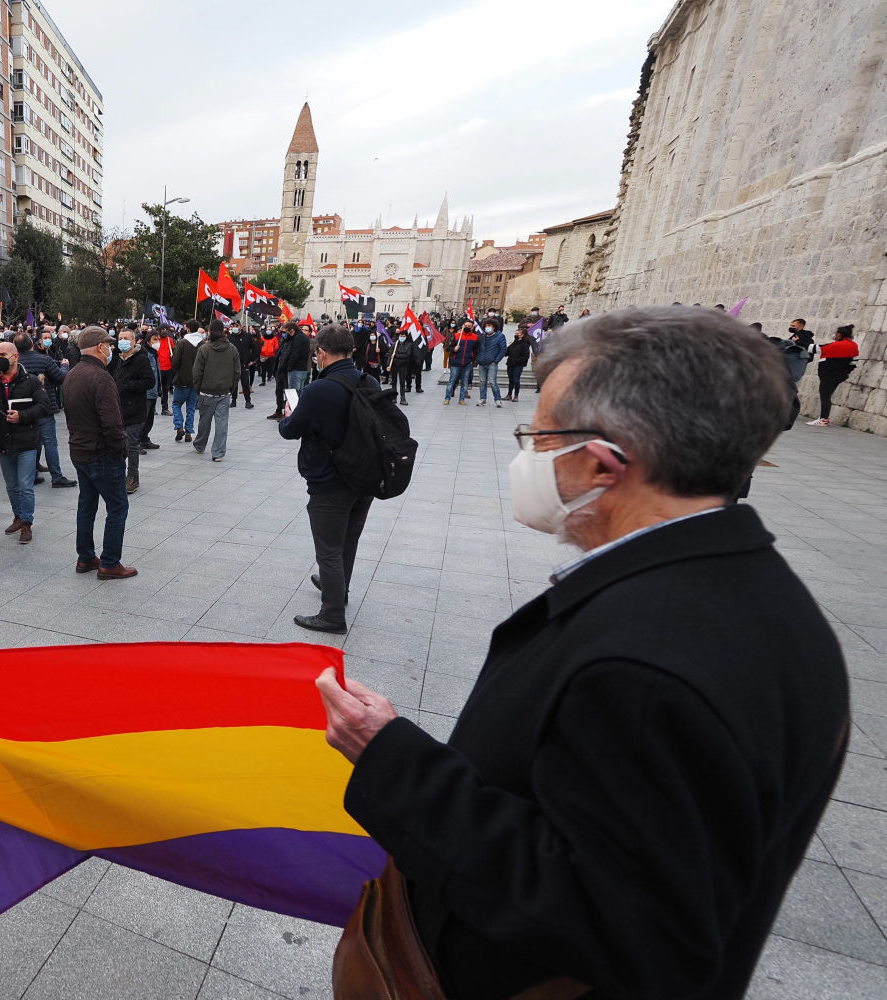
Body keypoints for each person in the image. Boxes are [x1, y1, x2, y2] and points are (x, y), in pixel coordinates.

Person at [315, 306, 847, 1000]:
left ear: (602, 463)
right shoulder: (738, 583)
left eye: (539, 438)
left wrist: (392, 759)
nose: (527, 458)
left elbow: (611, 922)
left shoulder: (648, 667)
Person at [278, 325, 378, 634]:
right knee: (348, 541)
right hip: (364, 477)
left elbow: (290, 430)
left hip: (330, 481)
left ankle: (332, 615)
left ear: (321, 353)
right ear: (351, 350)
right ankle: (339, 588)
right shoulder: (369, 381)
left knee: (329, 549)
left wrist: (288, 414)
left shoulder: (319, 389)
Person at [64, 326, 136, 579]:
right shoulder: (101, 377)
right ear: (99, 347)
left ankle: (85, 557)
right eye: (109, 345)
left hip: (80, 450)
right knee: (117, 507)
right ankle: (110, 562)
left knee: (87, 505)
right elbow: (112, 423)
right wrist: (119, 451)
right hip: (101, 453)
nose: (111, 349)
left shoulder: (73, 374)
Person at [0, 340, 50, 544]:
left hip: (26, 441)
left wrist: (22, 416)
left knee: (25, 485)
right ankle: (18, 516)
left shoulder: (31, 381)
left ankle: (27, 522)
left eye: (3, 355)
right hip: (3, 443)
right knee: (11, 486)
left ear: (15, 357)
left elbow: (44, 406)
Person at [14, 332, 75, 488]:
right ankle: (57, 476)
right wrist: (64, 366)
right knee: (50, 442)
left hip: (24, 408)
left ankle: (32, 474)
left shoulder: (15, 362)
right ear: (32, 344)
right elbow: (60, 378)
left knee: (32, 441)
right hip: (44, 407)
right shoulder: (45, 360)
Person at [110, 325, 156, 492]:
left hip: (135, 409)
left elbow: (150, 381)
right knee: (118, 444)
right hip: (117, 409)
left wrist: (130, 386)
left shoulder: (141, 358)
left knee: (132, 445)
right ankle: (118, 475)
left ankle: (132, 477)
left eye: (126, 339)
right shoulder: (115, 359)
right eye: (120, 339)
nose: (122, 341)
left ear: (134, 341)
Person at [192, 319, 242, 462]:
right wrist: (231, 388)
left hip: (206, 392)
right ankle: (218, 453)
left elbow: (197, 372)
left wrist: (198, 389)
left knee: (204, 422)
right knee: (222, 424)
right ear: (223, 331)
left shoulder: (204, 349)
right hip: (224, 392)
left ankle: (200, 445)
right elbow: (237, 372)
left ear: (209, 332)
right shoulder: (232, 349)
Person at [808, 324, 859, 426]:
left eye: (836, 333)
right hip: (840, 376)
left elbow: (815, 348)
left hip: (828, 375)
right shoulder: (854, 345)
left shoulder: (835, 345)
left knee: (825, 397)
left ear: (839, 334)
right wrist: (847, 372)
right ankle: (823, 418)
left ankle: (823, 419)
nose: (834, 334)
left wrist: (800, 341)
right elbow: (854, 361)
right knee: (827, 396)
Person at [170, 321, 201, 441]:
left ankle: (179, 427)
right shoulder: (203, 343)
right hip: (196, 381)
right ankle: (189, 432)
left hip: (182, 380)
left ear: (187, 329)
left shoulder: (182, 342)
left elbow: (175, 362)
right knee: (191, 408)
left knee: (176, 404)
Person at [443, 322, 478, 404]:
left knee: (464, 382)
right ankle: (447, 398)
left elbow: (476, 351)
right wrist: (454, 349)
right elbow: (448, 348)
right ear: (463, 326)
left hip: (467, 363)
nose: (467, 327)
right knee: (452, 381)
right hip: (456, 362)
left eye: (469, 326)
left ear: (472, 327)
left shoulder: (475, 337)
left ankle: (462, 399)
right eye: (466, 325)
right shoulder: (457, 336)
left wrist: (473, 360)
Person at [475, 319, 507, 407]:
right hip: (482, 362)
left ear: (494, 327)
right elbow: (477, 348)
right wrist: (477, 358)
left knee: (492, 382)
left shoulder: (500, 336)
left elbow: (503, 349)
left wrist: (496, 361)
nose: (487, 328)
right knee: (482, 382)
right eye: (486, 326)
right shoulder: (482, 336)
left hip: (492, 363)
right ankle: (482, 399)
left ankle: (498, 400)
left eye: (489, 326)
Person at [778, 319, 816, 384]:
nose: (791, 327)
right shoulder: (801, 337)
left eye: (793, 326)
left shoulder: (801, 337)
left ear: (800, 326)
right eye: (791, 325)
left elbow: (809, 351)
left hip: (792, 366)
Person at [229, 323, 257, 408]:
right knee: (233, 383)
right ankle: (233, 400)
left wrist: (252, 360)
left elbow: (254, 348)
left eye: (236, 326)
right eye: (233, 326)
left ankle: (248, 401)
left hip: (244, 363)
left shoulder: (247, 336)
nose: (235, 328)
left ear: (241, 327)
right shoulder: (229, 337)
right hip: (233, 363)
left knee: (245, 383)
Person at [505, 323, 533, 401]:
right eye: (515, 333)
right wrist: (507, 347)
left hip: (518, 365)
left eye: (518, 334)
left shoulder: (525, 344)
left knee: (516, 380)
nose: (516, 335)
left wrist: (518, 361)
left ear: (522, 335)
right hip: (510, 364)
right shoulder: (513, 343)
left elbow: (526, 356)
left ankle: (516, 395)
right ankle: (509, 395)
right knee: (510, 380)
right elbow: (506, 354)